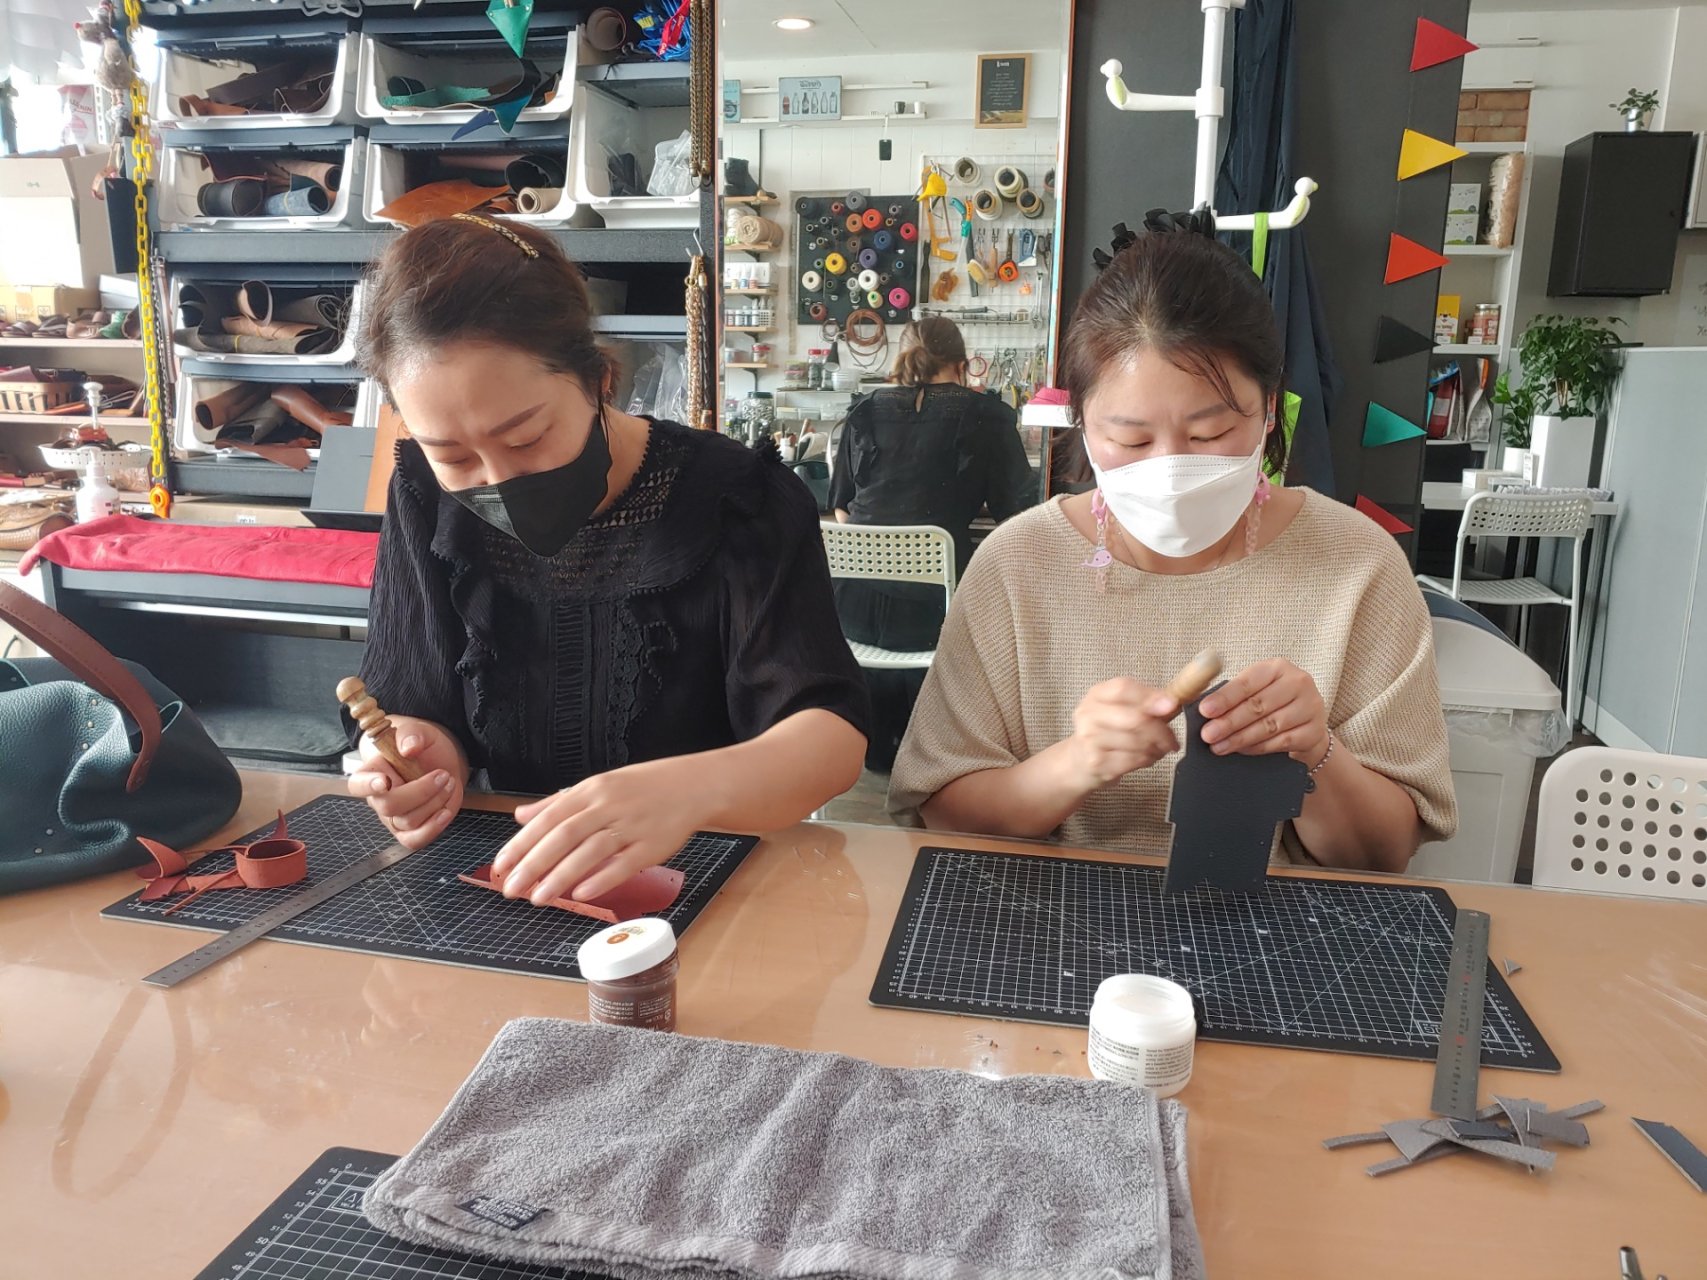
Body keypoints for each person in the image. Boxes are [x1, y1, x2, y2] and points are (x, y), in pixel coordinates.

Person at [889, 227, 1456, 872]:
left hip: (1276, 923)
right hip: (1051, 917)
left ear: (1270, 410)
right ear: (1080, 422)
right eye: (1131, 440)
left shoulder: (1358, 563)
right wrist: (1074, 764)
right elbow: (942, 815)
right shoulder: (1016, 564)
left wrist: (1316, 753)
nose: (1171, 469)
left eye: (1211, 433)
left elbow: (1384, 854)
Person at [347, 214, 869, 906]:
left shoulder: (741, 497)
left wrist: (688, 791)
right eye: (453, 456)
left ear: (600, 380)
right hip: (511, 884)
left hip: (716, 885)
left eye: (527, 439)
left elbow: (831, 740)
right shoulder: (422, 494)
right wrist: (417, 760)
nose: (497, 481)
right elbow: (411, 704)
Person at [828, 316, 1036, 769]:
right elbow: (1017, 515)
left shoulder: (863, 410)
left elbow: (841, 508)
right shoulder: (986, 416)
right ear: (961, 365)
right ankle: (935, 753)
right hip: (934, 617)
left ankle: (881, 754)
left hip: (853, 612)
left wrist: (886, 554)